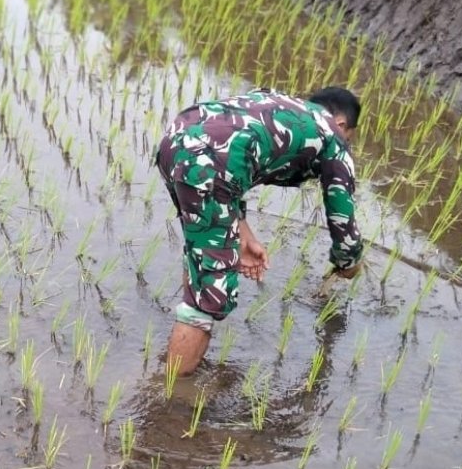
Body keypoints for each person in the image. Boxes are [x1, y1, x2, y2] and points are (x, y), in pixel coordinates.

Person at [155, 87, 364, 375]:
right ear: (342, 124)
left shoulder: (276, 103)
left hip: (175, 139)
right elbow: (343, 219)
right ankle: (171, 391)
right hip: (210, 167)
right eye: (349, 137)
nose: (346, 142)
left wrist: (243, 232)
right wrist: (349, 262)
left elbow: (231, 148)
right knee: (211, 297)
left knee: (201, 256)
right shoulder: (333, 136)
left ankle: (178, 355)